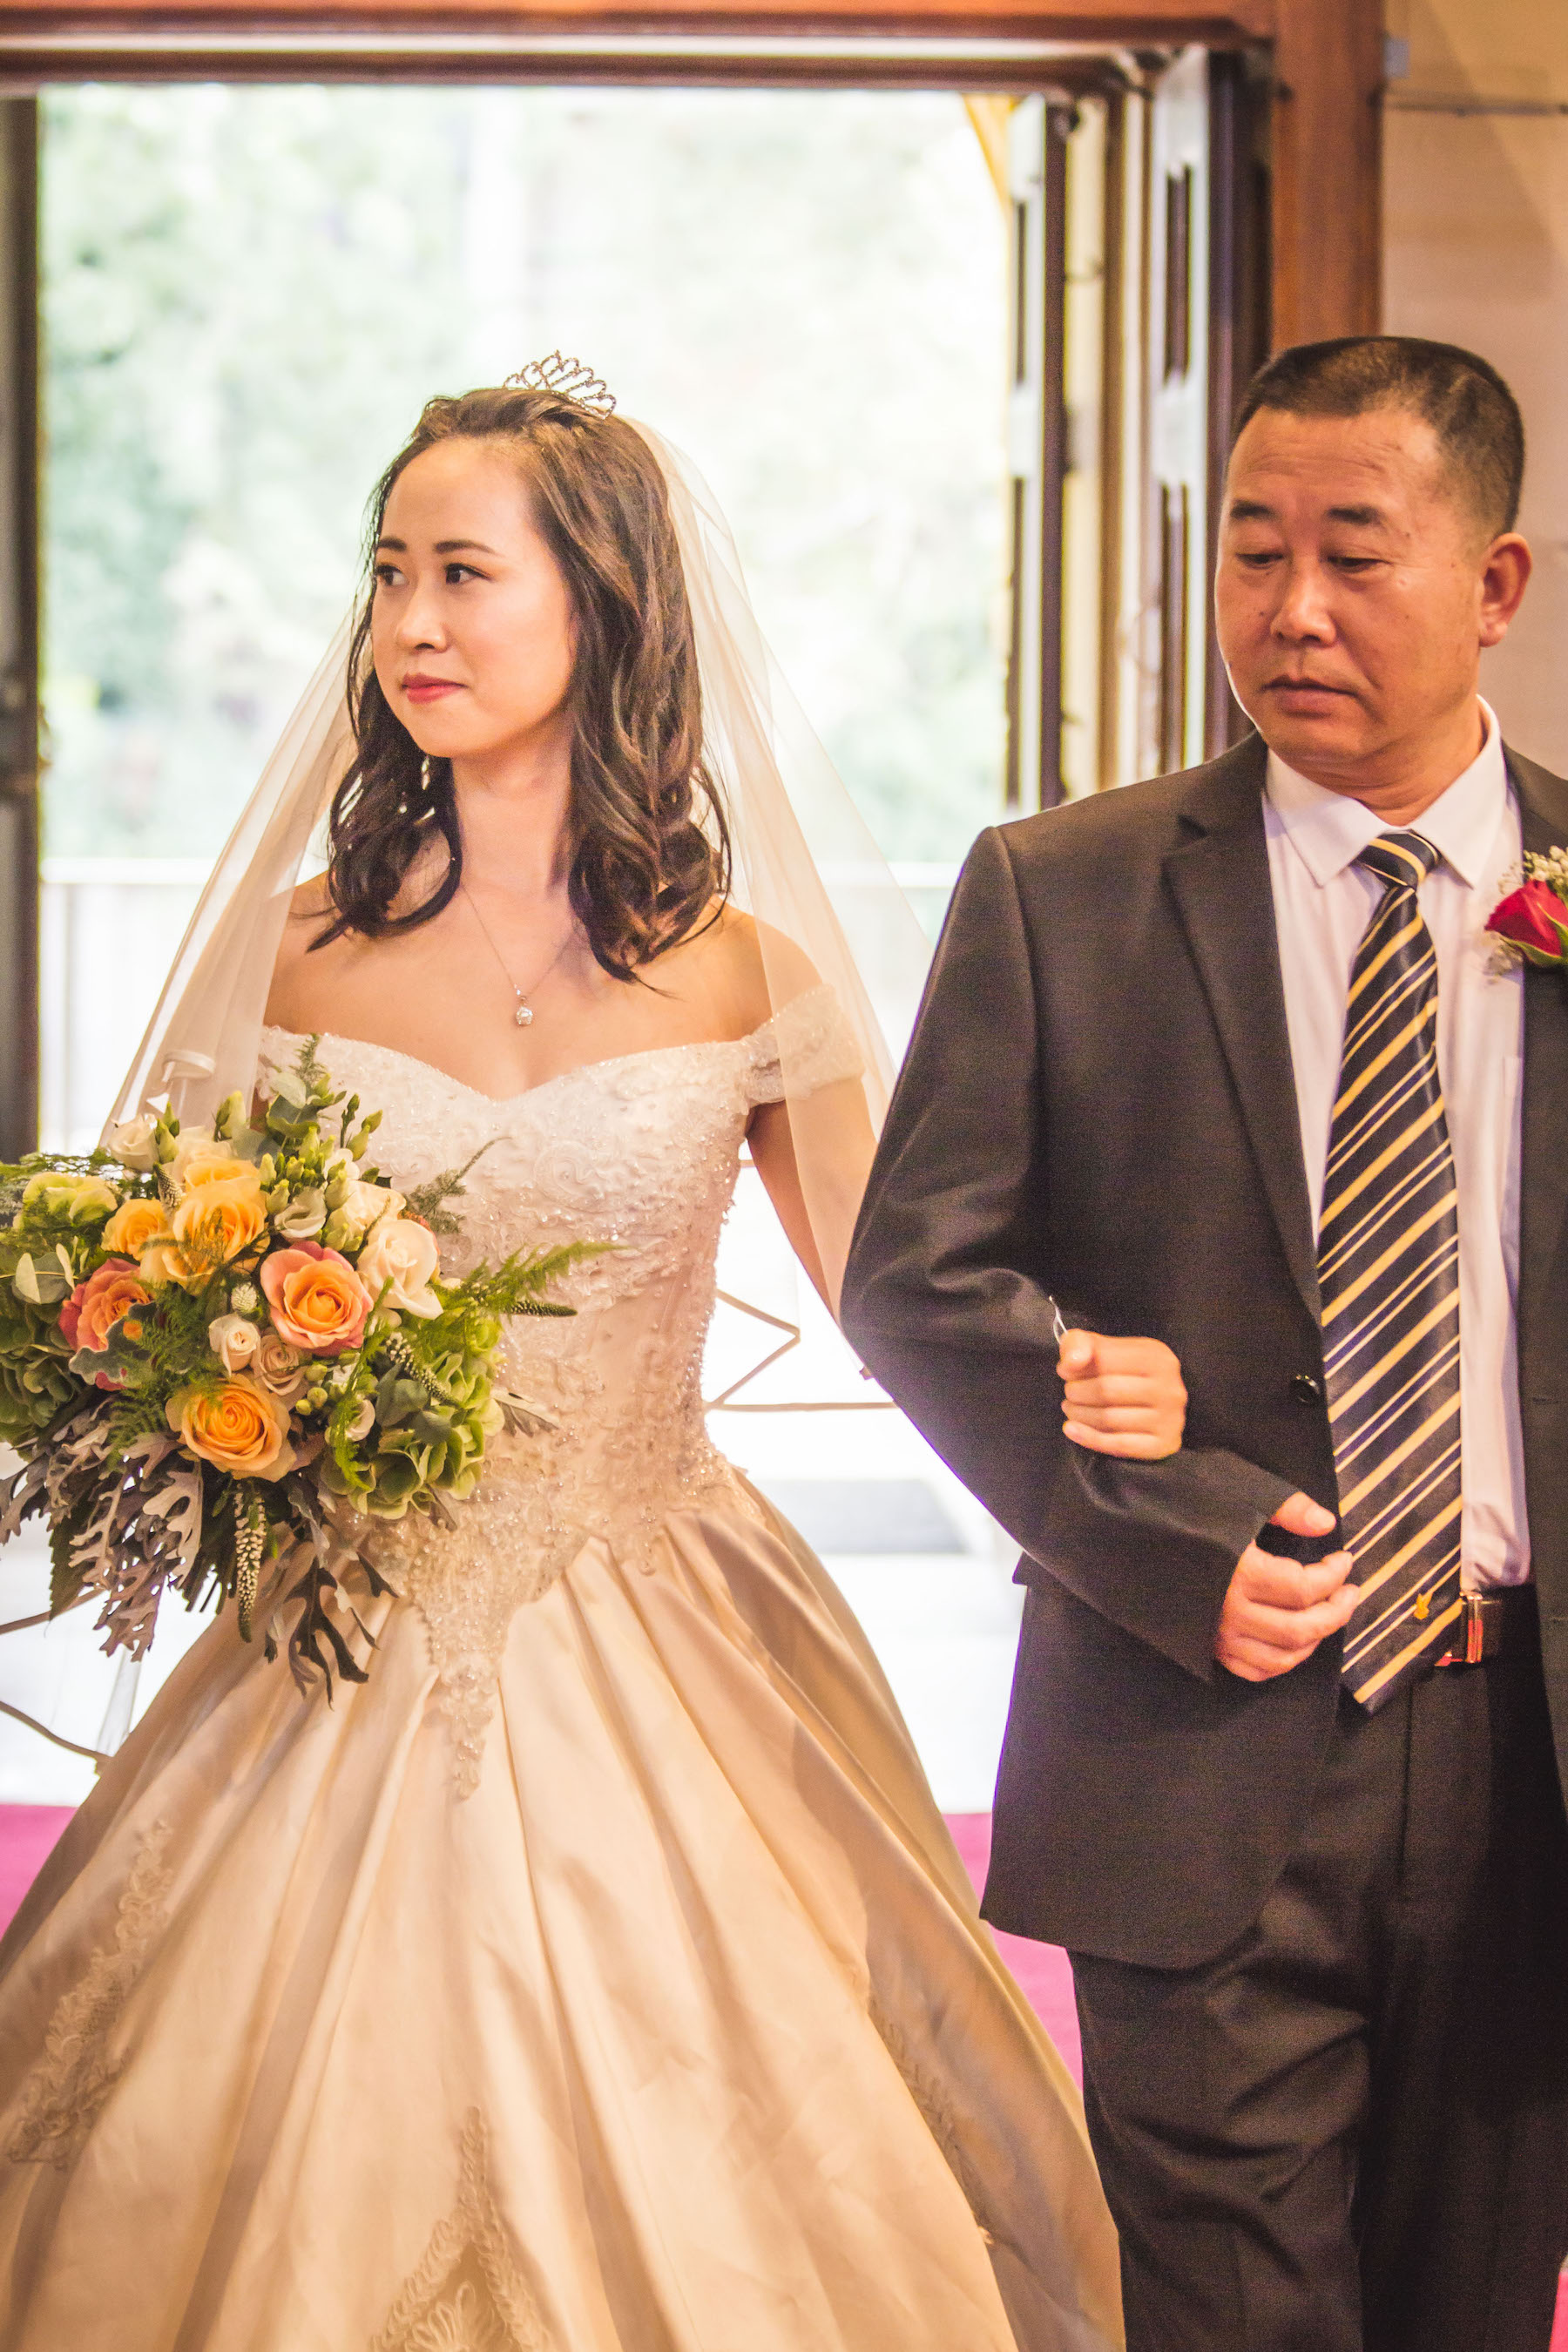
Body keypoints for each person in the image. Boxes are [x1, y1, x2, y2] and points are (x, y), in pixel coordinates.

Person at [0, 366, 1186, 2350]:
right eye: (390, 574)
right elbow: (152, 1268)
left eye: (464, 575)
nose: (411, 624)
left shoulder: (743, 975)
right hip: (344, 1616)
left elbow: (911, 1294)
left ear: (603, 605)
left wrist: (1095, 1383)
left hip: (663, 1596)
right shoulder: (294, 953)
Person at [841, 335, 1568, 2352]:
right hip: (1194, 1740)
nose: (1293, 608)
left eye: (1355, 552)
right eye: (1254, 551)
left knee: (1470, 2312)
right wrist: (1157, 1528)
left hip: (1526, 1755)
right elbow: (921, 1279)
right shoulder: (1063, 891)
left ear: (1495, 584)